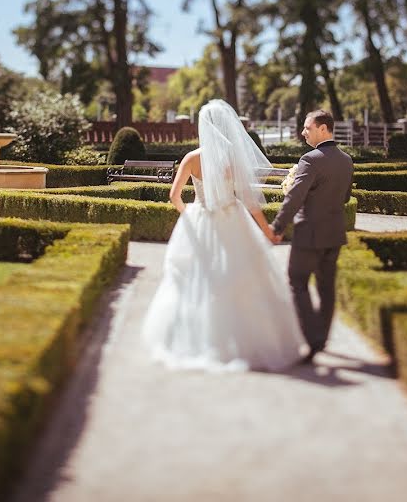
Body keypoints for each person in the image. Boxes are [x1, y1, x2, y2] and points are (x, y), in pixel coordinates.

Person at [143, 99, 306, 372]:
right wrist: (267, 231)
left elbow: (174, 196)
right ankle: (241, 342)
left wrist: (190, 215)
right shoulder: (232, 157)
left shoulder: (191, 158)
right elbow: (250, 201)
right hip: (232, 218)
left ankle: (192, 339)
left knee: (193, 279)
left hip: (201, 217)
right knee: (240, 277)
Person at [271, 110, 354, 363]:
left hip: (309, 234)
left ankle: (313, 338)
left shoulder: (310, 160)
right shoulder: (347, 160)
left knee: (297, 281)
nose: (303, 132)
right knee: (326, 287)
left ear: (323, 129)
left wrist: (277, 226)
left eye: (307, 128)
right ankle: (322, 337)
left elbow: (295, 198)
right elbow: (345, 198)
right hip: (334, 233)